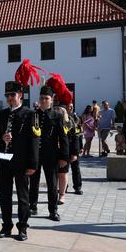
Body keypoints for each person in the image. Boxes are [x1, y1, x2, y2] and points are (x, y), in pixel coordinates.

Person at [0, 80, 39, 241]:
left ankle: (23, 227)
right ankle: (6, 226)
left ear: (20, 96)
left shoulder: (30, 114)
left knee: (22, 196)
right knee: (4, 195)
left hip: (21, 162)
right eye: (7, 95)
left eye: (13, 95)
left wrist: (33, 164)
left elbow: (34, 140)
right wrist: (1, 138)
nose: (10, 98)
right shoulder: (1, 115)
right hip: (3, 161)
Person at [29, 84, 69, 221]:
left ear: (52, 100)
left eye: (46, 98)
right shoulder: (33, 115)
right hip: (35, 154)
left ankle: (53, 210)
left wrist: (64, 156)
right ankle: (32, 206)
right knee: (33, 181)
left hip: (51, 155)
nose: (44, 101)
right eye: (41, 98)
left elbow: (63, 138)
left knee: (52, 183)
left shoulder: (57, 116)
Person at [66, 103, 83, 195]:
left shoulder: (76, 118)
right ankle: (64, 187)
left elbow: (79, 134)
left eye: (72, 106)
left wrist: (81, 146)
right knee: (64, 169)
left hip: (74, 146)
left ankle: (77, 187)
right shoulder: (61, 117)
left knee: (76, 168)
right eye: (69, 106)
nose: (71, 108)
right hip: (65, 146)